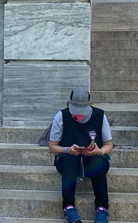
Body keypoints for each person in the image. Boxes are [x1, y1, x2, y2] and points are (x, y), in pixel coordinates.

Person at [48, 87, 113, 223]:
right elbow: (52, 146)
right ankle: (69, 207)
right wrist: (67, 150)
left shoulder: (100, 116)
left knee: (98, 162)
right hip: (69, 160)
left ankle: (102, 209)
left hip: (93, 159)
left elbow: (109, 144)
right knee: (69, 162)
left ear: (90, 103)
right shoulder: (61, 116)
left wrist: (99, 151)